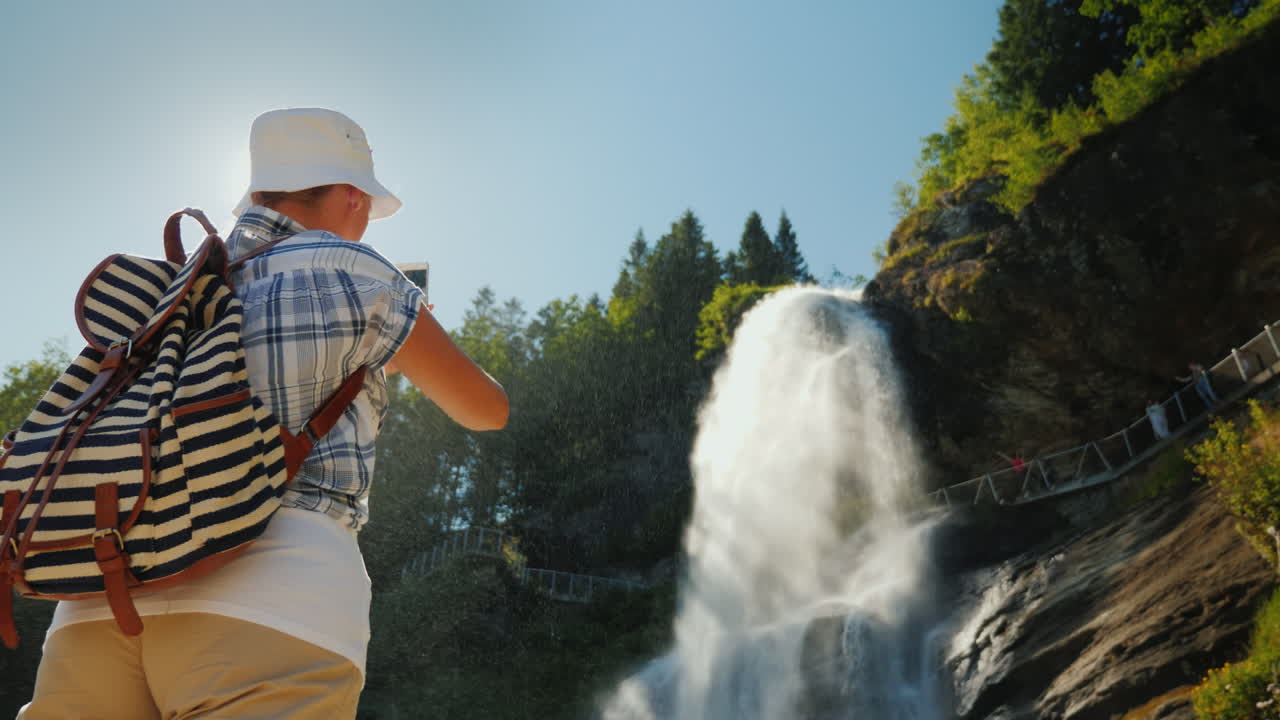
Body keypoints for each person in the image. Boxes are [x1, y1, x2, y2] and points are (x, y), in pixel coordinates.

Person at [18, 108, 509, 719]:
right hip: (274, 599)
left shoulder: (173, 285)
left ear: (257, 194)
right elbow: (486, 410)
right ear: (352, 195)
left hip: (98, 597)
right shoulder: (359, 271)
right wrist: (404, 338)